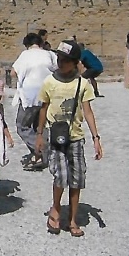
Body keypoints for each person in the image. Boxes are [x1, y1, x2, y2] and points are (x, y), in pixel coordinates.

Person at [36, 40, 103, 238]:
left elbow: (88, 112)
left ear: (75, 62)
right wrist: (39, 135)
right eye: (59, 59)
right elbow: (43, 108)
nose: (61, 62)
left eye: (65, 60)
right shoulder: (49, 82)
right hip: (56, 138)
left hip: (75, 137)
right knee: (61, 176)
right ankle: (56, 209)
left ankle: (73, 219)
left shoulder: (82, 84)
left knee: (77, 178)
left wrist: (96, 138)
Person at [11, 32, 57, 170]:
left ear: (27, 45)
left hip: (30, 96)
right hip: (48, 94)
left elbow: (13, 72)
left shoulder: (25, 55)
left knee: (23, 126)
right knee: (40, 126)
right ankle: (44, 150)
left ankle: (42, 151)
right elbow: (57, 68)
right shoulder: (49, 54)